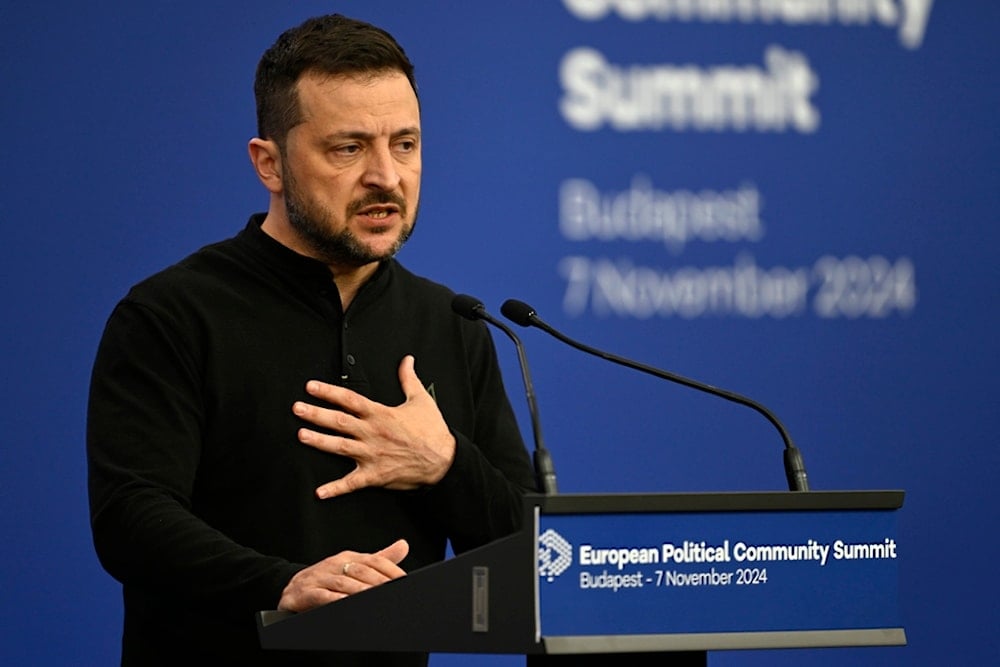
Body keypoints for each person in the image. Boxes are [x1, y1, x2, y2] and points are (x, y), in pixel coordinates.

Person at [86, 14, 537, 667]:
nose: (387, 176)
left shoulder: (454, 322)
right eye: (349, 148)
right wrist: (281, 585)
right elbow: (130, 520)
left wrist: (445, 463)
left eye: (405, 144)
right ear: (269, 163)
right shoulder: (172, 313)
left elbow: (532, 554)